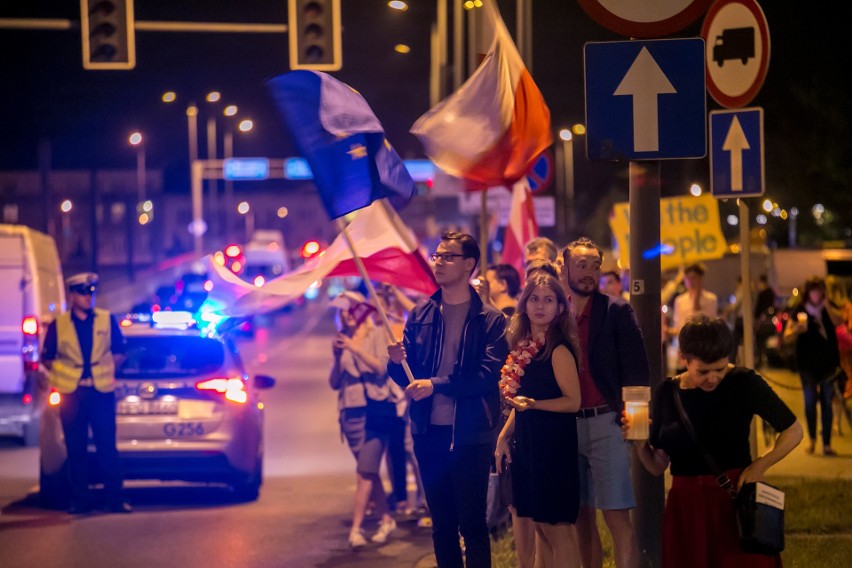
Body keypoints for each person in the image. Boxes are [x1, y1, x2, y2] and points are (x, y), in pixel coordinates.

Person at [626, 314, 803, 567]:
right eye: (703, 371)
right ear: (684, 359)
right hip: (686, 507)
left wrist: (760, 465)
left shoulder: (743, 382)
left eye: (720, 369)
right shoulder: (668, 392)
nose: (713, 378)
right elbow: (657, 466)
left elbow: (793, 430)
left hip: (733, 501)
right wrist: (639, 443)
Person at [388, 231, 508, 568]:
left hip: (471, 434)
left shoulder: (490, 319)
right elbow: (407, 378)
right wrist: (396, 362)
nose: (438, 262)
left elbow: (485, 378)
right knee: (442, 526)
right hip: (429, 432)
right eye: (437, 255)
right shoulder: (421, 313)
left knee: (472, 524)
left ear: (468, 264)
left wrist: (436, 385)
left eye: (447, 256)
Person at [560, 238, 649, 568]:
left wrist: (637, 425)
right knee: (581, 519)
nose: (589, 273)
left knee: (616, 517)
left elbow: (638, 372)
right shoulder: (556, 314)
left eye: (595, 266)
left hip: (606, 425)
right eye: (581, 265)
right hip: (566, 427)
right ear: (564, 267)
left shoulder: (617, 311)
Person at [495, 272, 582, 568]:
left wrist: (535, 405)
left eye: (548, 300)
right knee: (542, 529)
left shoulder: (557, 349)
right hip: (530, 445)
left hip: (553, 447)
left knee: (557, 529)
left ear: (560, 308)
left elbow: (573, 402)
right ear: (524, 304)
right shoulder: (524, 347)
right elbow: (522, 404)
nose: (540, 306)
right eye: (534, 299)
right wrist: (504, 435)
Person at [41, 272, 130, 515]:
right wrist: (68, 376)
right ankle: (80, 501)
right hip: (73, 395)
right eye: (82, 293)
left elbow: (120, 351)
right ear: (71, 295)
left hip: (101, 392)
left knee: (107, 448)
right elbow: (47, 358)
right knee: (76, 448)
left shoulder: (106, 319)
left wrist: (107, 369)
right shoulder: (59, 325)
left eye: (91, 292)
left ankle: (115, 499)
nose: (88, 297)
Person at [328, 291, 397, 547]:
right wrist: (337, 357)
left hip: (374, 412)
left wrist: (354, 348)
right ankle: (386, 518)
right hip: (349, 414)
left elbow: (381, 368)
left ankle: (356, 529)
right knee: (368, 472)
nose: (346, 314)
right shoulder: (340, 339)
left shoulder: (376, 334)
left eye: (351, 309)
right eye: (343, 310)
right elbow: (334, 382)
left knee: (364, 473)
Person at [783, 276, 843, 456]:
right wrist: (796, 330)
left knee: (826, 402)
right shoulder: (800, 310)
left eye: (819, 290)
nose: (816, 294)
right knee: (810, 403)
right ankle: (812, 440)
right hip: (807, 365)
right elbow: (786, 336)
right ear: (807, 293)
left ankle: (826, 444)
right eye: (813, 290)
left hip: (828, 364)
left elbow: (839, 322)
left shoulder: (827, 308)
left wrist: (826, 307)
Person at [667, 263, 719, 374]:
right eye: (687, 278)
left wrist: (697, 298)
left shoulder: (710, 299)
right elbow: (679, 326)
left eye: (694, 277)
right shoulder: (680, 301)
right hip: (686, 347)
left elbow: (710, 324)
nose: (690, 281)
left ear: (700, 278)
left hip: (704, 347)